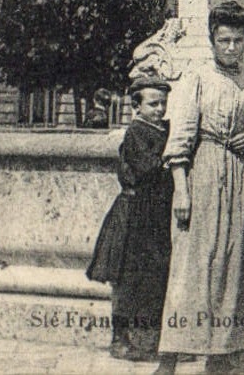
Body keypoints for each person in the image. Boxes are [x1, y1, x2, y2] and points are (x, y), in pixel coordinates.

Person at [157, 1, 244, 371]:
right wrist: (181, 190)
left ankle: (225, 354)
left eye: (238, 41)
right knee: (194, 266)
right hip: (204, 175)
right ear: (212, 39)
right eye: (224, 40)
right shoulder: (195, 78)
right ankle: (171, 357)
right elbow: (179, 138)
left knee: (238, 264)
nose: (231, 48)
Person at [86, 76, 174, 364]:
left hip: (150, 212)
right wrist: (172, 161)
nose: (160, 109)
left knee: (148, 277)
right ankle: (122, 339)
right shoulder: (137, 131)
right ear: (136, 107)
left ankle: (143, 341)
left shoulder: (161, 129)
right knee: (128, 276)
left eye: (163, 103)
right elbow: (148, 167)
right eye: (153, 103)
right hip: (133, 212)